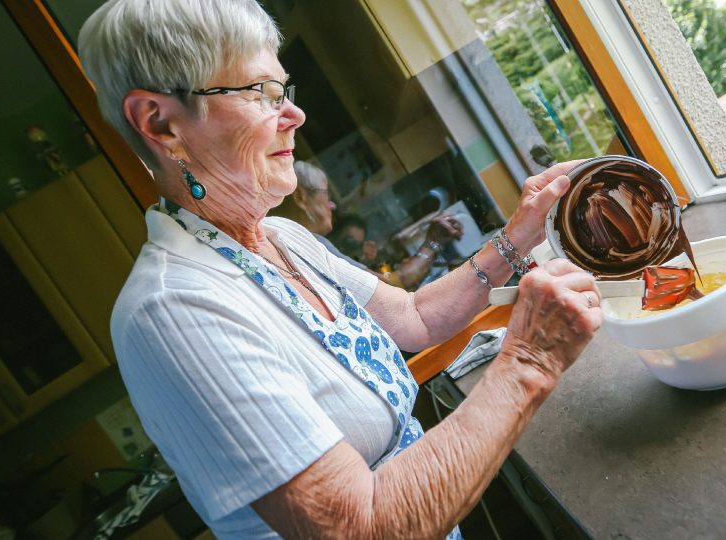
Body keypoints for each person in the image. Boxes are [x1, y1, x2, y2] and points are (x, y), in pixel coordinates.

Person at [80, 1, 602, 538]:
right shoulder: (173, 310)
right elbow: (357, 527)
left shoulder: (283, 237)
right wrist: (529, 362)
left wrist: (520, 232)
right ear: (160, 123)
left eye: (284, 91)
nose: (294, 115)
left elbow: (416, 316)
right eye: (260, 93)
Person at [273, 159, 462, 289]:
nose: (332, 204)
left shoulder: (280, 238)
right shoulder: (311, 245)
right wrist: (433, 243)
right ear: (300, 197)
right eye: (326, 195)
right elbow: (391, 284)